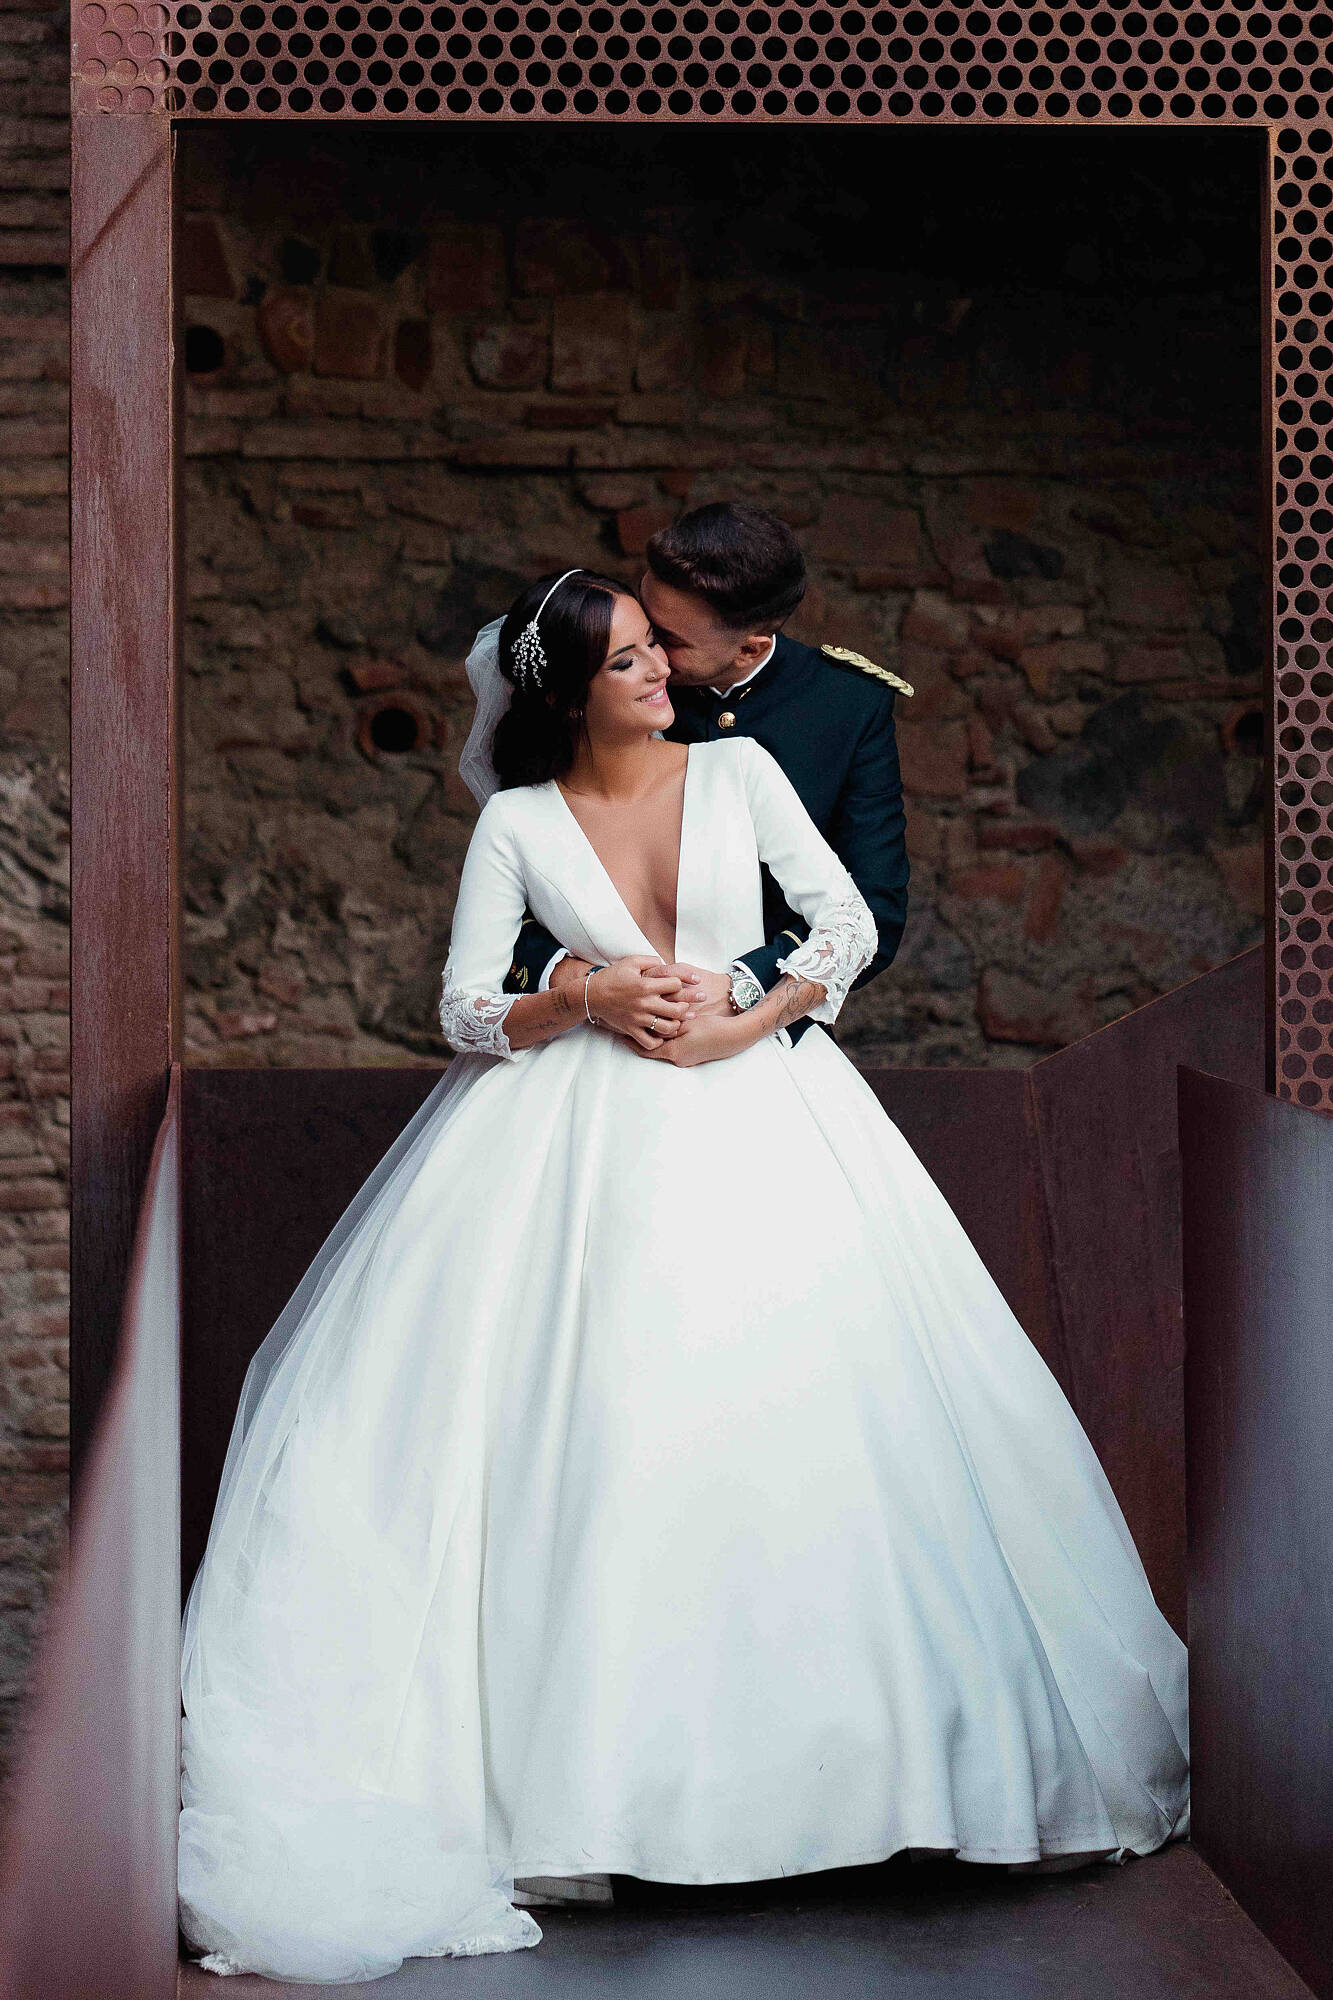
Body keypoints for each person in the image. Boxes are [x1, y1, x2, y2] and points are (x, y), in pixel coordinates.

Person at [178, 570, 1189, 1986]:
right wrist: (580, 996)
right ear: (565, 693)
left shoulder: (746, 769)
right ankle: (599, 1793)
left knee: (818, 1413)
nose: (664, 675)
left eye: (659, 650)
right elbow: (466, 1006)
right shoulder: (518, 822)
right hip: (568, 1129)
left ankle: (882, 1792)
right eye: (631, 662)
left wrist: (747, 1019)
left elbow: (841, 924)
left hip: (772, 1109)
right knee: (594, 1430)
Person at [492, 501, 912, 1053]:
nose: (654, 659)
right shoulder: (599, 692)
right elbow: (517, 879)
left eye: (670, 640)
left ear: (752, 646)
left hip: (763, 1028)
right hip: (595, 1031)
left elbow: (870, 908)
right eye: (646, 623)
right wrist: (581, 983)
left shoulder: (848, 704)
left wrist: (741, 990)